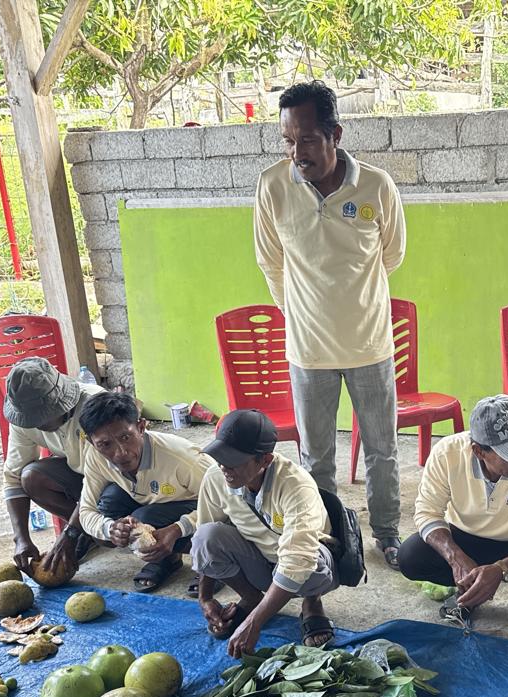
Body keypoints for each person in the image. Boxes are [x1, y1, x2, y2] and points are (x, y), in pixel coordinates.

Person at [253, 80, 407, 569]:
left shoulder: (376, 186)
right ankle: (328, 534)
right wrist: (301, 311)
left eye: (308, 140)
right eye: (288, 141)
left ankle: (387, 533)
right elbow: (270, 261)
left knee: (382, 449)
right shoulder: (273, 186)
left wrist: (351, 301)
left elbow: (392, 255)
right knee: (316, 457)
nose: (297, 152)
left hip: (370, 345)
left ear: (335, 135)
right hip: (308, 350)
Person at [398, 395, 508, 634]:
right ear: (479, 451)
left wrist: (502, 568)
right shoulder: (447, 453)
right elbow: (427, 513)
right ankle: (469, 589)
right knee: (410, 557)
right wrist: (456, 559)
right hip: (466, 539)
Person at [192, 409, 339, 657]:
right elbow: (204, 533)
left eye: (234, 460)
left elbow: (297, 560)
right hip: (260, 559)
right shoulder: (216, 477)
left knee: (308, 565)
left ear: (265, 460)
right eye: (220, 457)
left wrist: (254, 623)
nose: (224, 467)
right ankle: (251, 598)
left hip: (311, 564)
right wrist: (205, 598)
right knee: (206, 537)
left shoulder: (296, 485)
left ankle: (312, 601)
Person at [76, 392, 214, 592]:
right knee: (109, 505)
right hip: (155, 503)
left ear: (141, 427)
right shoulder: (95, 456)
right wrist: (110, 529)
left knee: (144, 517)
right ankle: (166, 559)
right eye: (105, 444)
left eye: (126, 437)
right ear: (91, 442)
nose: (120, 452)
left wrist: (178, 528)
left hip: (201, 505)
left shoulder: (181, 458)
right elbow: (86, 510)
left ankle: (214, 562)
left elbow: (226, 501)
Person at [1, 358, 103, 573]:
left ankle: (91, 528)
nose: (37, 424)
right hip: (81, 477)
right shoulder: (24, 421)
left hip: (117, 481)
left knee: (109, 534)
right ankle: (88, 531)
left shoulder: (95, 406)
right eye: (32, 419)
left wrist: (69, 534)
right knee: (30, 477)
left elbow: (102, 478)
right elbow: (13, 477)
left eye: (43, 416)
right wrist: (21, 538)